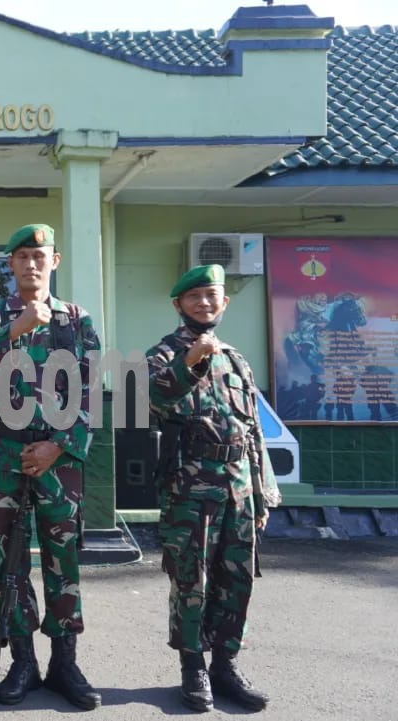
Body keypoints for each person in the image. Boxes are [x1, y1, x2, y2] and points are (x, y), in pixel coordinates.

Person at [0, 223, 102, 710]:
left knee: (64, 563)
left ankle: (65, 661)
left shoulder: (76, 321)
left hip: (59, 462)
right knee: (11, 564)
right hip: (5, 459)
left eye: (39, 256)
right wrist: (13, 330)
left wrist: (59, 446)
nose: (31, 264)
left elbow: (92, 392)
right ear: (10, 265)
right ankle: (23, 660)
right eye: (21, 256)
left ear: (54, 262)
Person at [147, 264, 281, 713]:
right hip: (190, 489)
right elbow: (155, 397)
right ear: (178, 305)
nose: (204, 303)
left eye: (212, 296)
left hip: (239, 486)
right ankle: (193, 668)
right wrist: (189, 362)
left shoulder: (235, 359)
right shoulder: (163, 353)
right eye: (195, 297)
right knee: (191, 579)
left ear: (224, 303)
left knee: (237, 579)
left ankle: (226, 664)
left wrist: (262, 493)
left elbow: (253, 431)